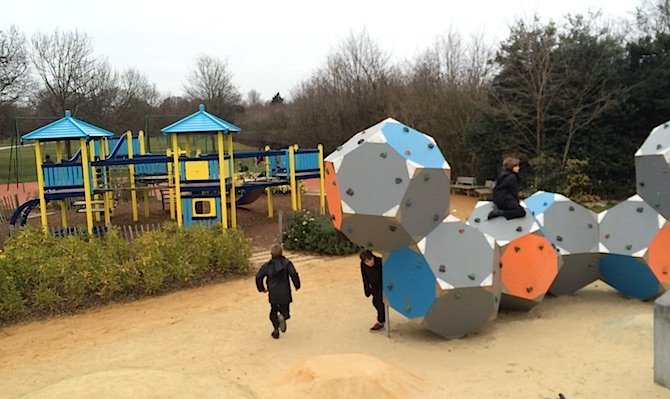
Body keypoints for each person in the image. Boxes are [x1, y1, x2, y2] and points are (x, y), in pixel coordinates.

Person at [255, 245, 301, 339]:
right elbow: (293, 274)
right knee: (286, 310)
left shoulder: (267, 266)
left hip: (273, 293)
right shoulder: (287, 263)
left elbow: (258, 276)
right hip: (285, 292)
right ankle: (283, 316)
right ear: (281, 253)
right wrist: (297, 285)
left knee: (273, 310)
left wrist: (261, 288)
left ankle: (276, 330)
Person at [359, 249, 385, 332]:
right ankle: (383, 318)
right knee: (376, 303)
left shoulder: (379, 261)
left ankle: (381, 321)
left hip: (382, 284)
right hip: (373, 285)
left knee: (377, 302)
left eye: (370, 260)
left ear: (372, 257)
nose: (369, 263)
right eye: (366, 262)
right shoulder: (363, 265)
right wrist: (367, 289)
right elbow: (364, 277)